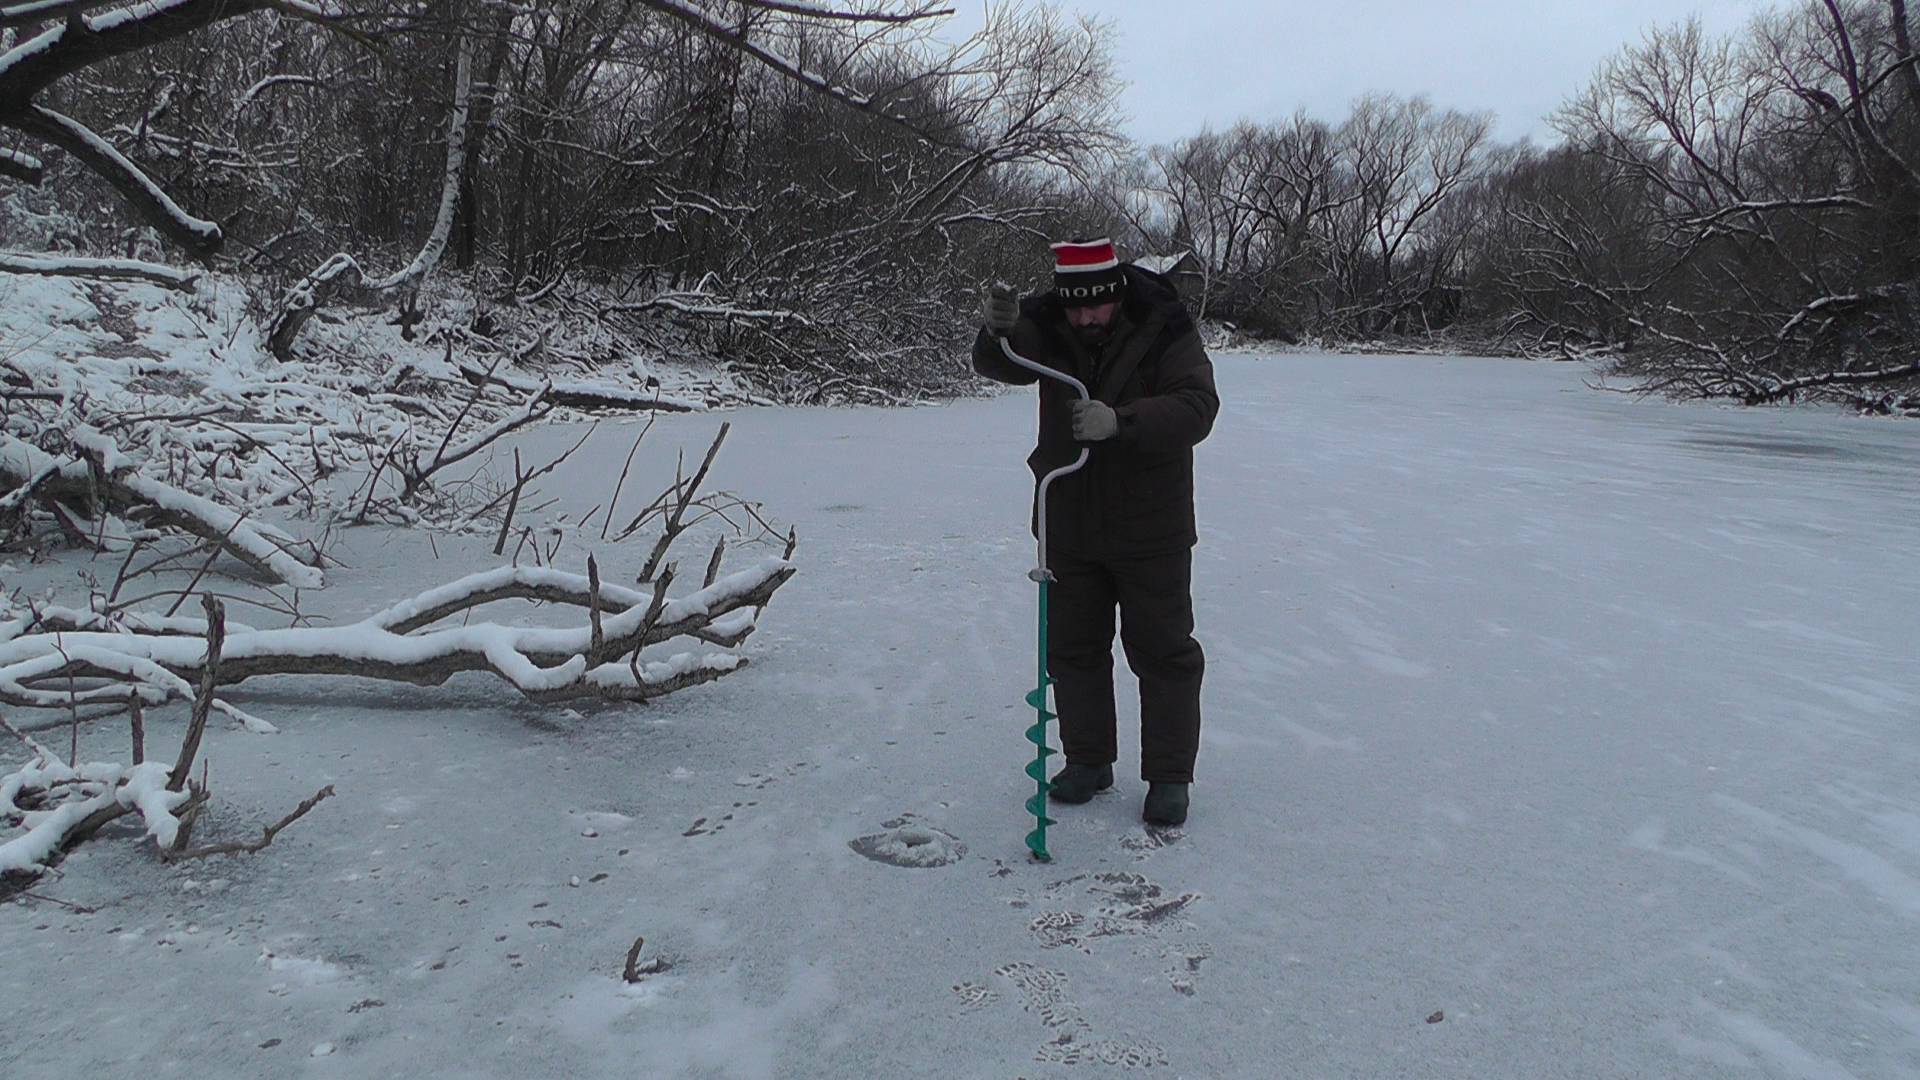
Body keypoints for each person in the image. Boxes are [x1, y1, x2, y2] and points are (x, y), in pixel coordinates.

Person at [972, 238, 1219, 827]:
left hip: (1151, 525)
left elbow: (1197, 405)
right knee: (1074, 649)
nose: (1084, 317)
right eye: (1073, 306)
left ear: (1115, 294)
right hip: (1069, 519)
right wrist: (995, 331)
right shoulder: (1052, 322)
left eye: (1095, 306)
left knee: (1163, 653)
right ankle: (1088, 760)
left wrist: (1122, 421)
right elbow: (1003, 360)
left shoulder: (1163, 323)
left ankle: (1168, 777)